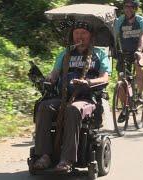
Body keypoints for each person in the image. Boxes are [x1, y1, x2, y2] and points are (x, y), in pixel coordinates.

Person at [33, 21, 111, 172]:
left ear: (90, 36)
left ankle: (66, 159)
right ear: (72, 35)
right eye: (76, 33)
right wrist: (48, 79)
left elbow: (105, 78)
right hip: (63, 96)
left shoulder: (99, 54)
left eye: (83, 33)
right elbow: (55, 73)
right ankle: (44, 155)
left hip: (86, 98)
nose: (79, 36)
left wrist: (87, 82)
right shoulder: (65, 53)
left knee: (73, 109)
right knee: (44, 107)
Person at [115, 0, 143, 122]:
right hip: (124, 53)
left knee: (138, 64)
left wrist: (139, 50)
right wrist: (113, 50)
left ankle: (139, 95)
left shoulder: (141, 21)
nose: (128, 9)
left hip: (139, 51)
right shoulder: (119, 21)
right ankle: (125, 108)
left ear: (135, 9)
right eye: (126, 7)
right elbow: (115, 36)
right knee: (120, 80)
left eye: (131, 7)